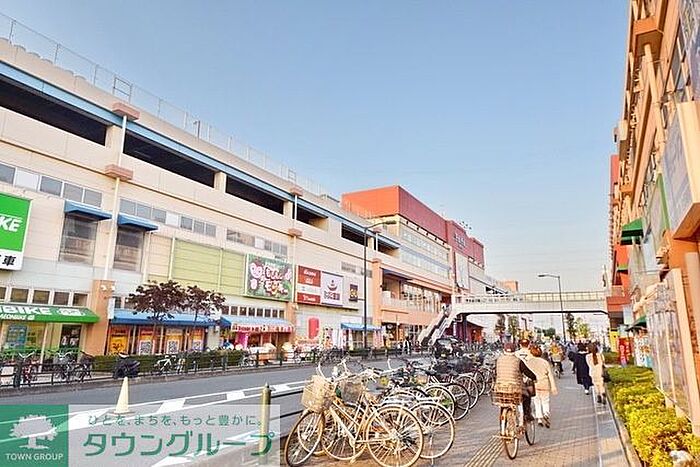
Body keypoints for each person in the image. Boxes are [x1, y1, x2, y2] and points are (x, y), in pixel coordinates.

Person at [495, 342, 538, 423]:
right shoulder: (518, 361)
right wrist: (534, 377)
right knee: (527, 396)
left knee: (503, 401)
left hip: (500, 388)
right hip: (515, 388)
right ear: (514, 350)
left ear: (504, 350)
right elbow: (527, 372)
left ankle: (502, 422)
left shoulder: (498, 360)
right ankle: (527, 414)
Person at [527, 345, 558, 427]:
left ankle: (539, 418)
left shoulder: (528, 362)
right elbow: (550, 375)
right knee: (545, 401)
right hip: (544, 384)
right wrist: (553, 387)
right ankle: (546, 413)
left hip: (534, 385)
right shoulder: (545, 362)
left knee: (536, 402)